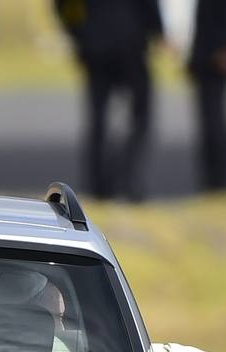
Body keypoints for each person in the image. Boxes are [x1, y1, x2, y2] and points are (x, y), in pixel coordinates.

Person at [55, 0, 162, 201]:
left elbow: (66, 6)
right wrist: (157, 30)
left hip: (96, 45)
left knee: (99, 120)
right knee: (140, 117)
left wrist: (78, 32)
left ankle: (100, 185)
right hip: (131, 42)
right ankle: (128, 180)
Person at [186, 0, 226, 191]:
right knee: (210, 119)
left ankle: (219, 181)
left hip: (216, 53)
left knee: (215, 120)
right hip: (207, 53)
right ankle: (213, 180)